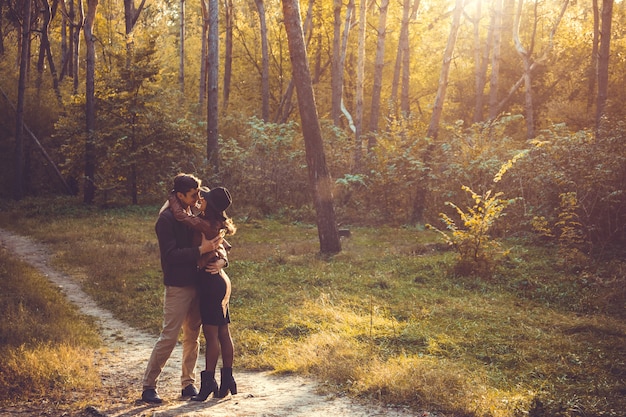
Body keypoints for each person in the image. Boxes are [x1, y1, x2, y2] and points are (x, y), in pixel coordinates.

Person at [141, 174, 224, 404]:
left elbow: (218, 238)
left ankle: (188, 384)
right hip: (178, 285)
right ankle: (149, 386)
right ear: (180, 195)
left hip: (198, 283)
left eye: (199, 193)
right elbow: (170, 256)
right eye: (193, 194)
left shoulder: (190, 213)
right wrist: (201, 250)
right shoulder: (166, 219)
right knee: (169, 336)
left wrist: (221, 260)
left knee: (192, 337)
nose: (198, 197)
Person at [168, 186, 238, 401]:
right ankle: (227, 380)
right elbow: (225, 245)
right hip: (218, 280)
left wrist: (173, 196)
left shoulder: (204, 223)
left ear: (210, 204)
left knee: (212, 335)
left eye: (203, 198)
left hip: (210, 282)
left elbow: (181, 216)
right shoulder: (212, 222)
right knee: (223, 332)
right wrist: (223, 258)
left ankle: (208, 384)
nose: (200, 199)